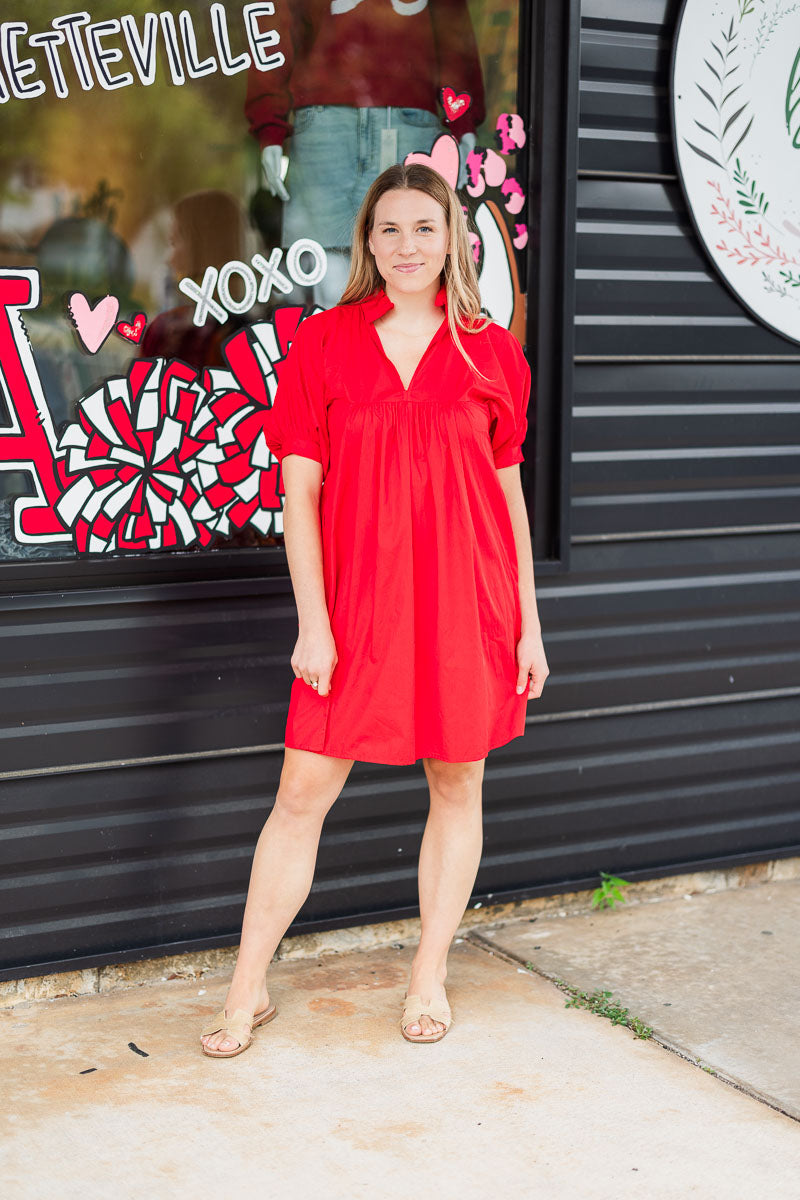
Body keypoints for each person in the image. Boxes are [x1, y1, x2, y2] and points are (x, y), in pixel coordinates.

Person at [199, 161, 549, 1058]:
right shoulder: (323, 341)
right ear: (367, 241)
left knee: (456, 781)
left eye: (424, 229)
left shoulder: (490, 351)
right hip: (355, 606)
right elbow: (299, 492)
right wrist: (314, 621)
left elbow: (507, 496)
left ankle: (429, 970)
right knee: (301, 790)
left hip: (467, 600)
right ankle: (247, 986)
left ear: (453, 241)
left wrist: (529, 622)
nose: (407, 247)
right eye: (389, 230)